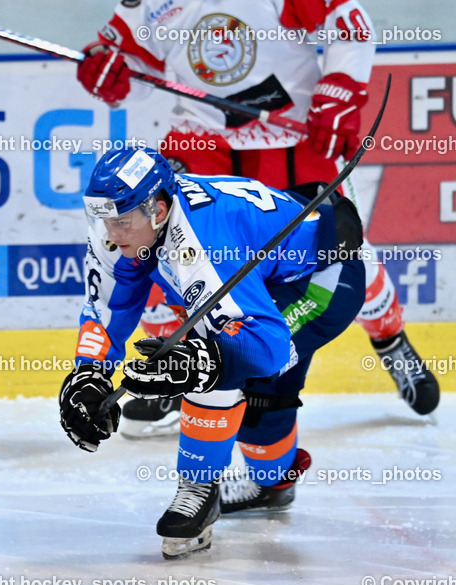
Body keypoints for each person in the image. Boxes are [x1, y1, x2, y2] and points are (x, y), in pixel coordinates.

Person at [76, 0, 439, 437]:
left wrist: (341, 85)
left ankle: (389, 335)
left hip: (294, 136)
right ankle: (179, 366)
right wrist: (112, 71)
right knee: (160, 252)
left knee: (338, 254)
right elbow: (135, 66)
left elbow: (349, 25)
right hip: (202, 141)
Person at [59, 146, 366, 558]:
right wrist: (87, 374)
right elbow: (110, 306)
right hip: (264, 274)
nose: (111, 234)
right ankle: (273, 482)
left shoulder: (200, 245)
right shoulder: (128, 225)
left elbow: (265, 346)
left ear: (159, 210)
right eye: (104, 220)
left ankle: (199, 489)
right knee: (256, 413)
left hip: (320, 280)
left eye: (121, 222)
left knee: (214, 364)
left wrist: (194, 364)